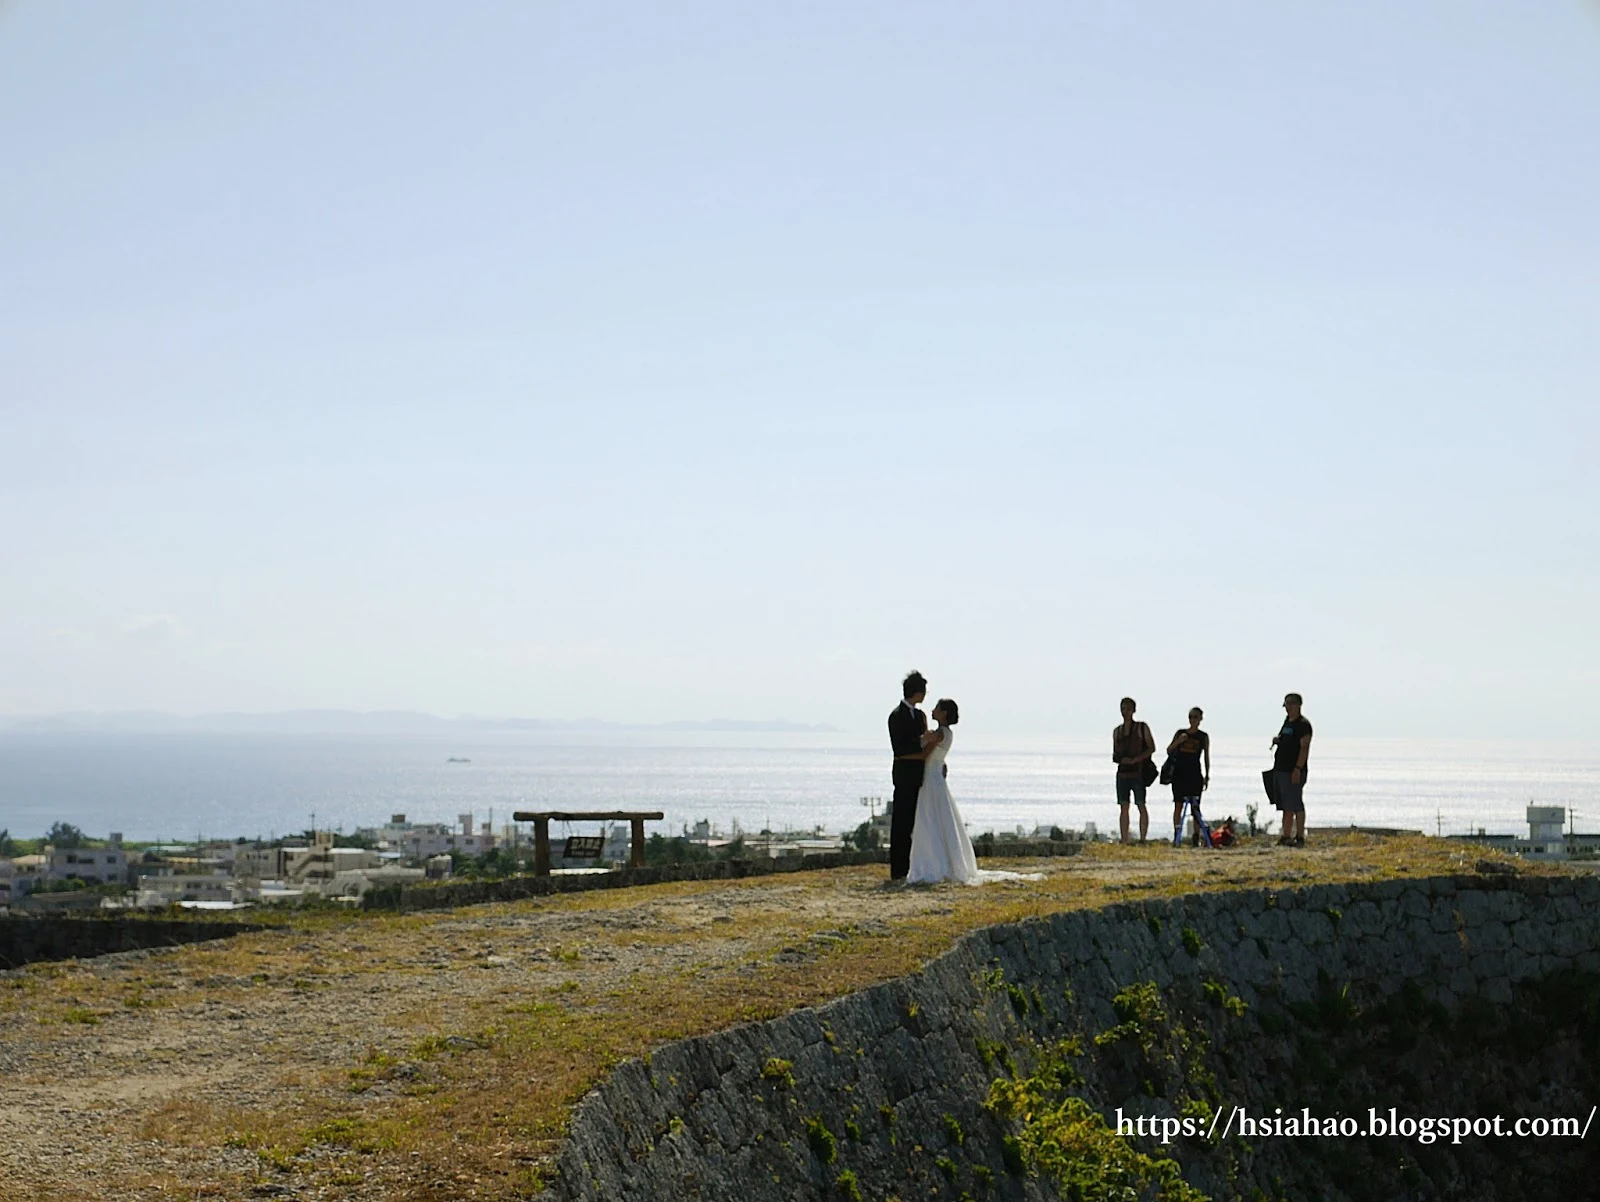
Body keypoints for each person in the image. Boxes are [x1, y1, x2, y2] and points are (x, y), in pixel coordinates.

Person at [906, 700, 1041, 886]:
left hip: (931, 778)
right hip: (935, 775)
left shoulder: (939, 734)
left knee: (930, 817)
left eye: (937, 708)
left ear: (944, 713)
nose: (933, 710)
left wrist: (903, 754)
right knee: (939, 817)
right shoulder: (946, 733)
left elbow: (924, 754)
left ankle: (934, 862)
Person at [887, 671, 930, 880]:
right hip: (904, 775)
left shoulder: (920, 716)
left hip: (920, 775)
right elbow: (900, 748)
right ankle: (898, 869)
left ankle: (914, 865)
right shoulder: (896, 716)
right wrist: (922, 744)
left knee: (916, 822)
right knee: (901, 823)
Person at [1272, 693, 1313, 847]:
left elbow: (1304, 747)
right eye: (1286, 705)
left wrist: (1298, 768)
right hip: (1281, 769)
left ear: (1298, 705)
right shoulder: (1287, 722)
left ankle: (1300, 835)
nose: (1288, 708)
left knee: (1296, 803)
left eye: (1291, 704)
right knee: (1286, 804)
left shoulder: (1303, 725)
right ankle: (1286, 834)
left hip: (1293, 770)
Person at [1113, 697, 1155, 844]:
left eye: (1128, 709)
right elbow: (1115, 754)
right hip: (1123, 773)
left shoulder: (1142, 728)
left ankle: (1143, 838)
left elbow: (1151, 748)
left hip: (1138, 772)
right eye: (1123, 709)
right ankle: (1124, 839)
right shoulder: (1117, 731)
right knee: (1124, 806)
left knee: (1141, 804)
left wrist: (1136, 759)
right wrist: (1122, 759)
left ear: (1134, 710)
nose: (1126, 712)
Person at [1167, 707, 1211, 846]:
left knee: (1195, 807)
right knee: (1178, 805)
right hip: (1179, 773)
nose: (1193, 720)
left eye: (1196, 717)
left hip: (1194, 774)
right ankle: (1176, 835)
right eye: (1191, 717)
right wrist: (1179, 741)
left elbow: (1206, 757)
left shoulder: (1203, 736)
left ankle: (1196, 836)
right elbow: (1169, 750)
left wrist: (1207, 775)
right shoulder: (1181, 733)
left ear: (1200, 719)